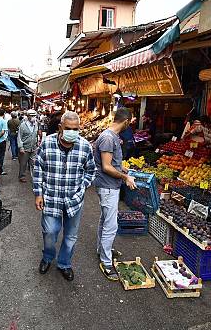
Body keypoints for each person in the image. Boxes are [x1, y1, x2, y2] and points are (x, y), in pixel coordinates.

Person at [33, 111, 96, 281]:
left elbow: (91, 171)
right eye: (68, 128)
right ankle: (47, 257)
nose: (72, 132)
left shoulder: (85, 146)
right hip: (51, 197)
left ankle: (64, 263)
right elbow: (38, 169)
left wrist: (82, 187)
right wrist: (38, 193)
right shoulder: (47, 143)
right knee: (49, 232)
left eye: (75, 129)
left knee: (70, 237)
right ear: (60, 127)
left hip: (74, 200)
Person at [93, 108, 137, 281]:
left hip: (110, 186)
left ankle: (102, 249)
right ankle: (106, 262)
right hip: (107, 186)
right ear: (126, 122)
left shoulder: (110, 137)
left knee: (105, 220)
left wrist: (122, 168)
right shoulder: (108, 138)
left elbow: (112, 164)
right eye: (130, 123)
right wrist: (125, 176)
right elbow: (106, 166)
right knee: (111, 225)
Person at [18, 109, 40, 182]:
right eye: (32, 116)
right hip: (25, 147)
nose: (34, 117)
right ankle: (22, 176)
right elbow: (19, 137)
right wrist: (21, 147)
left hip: (33, 147)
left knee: (33, 163)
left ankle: (34, 176)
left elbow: (36, 134)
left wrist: (37, 142)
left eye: (34, 116)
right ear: (28, 116)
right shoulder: (23, 125)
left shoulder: (36, 124)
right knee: (23, 163)